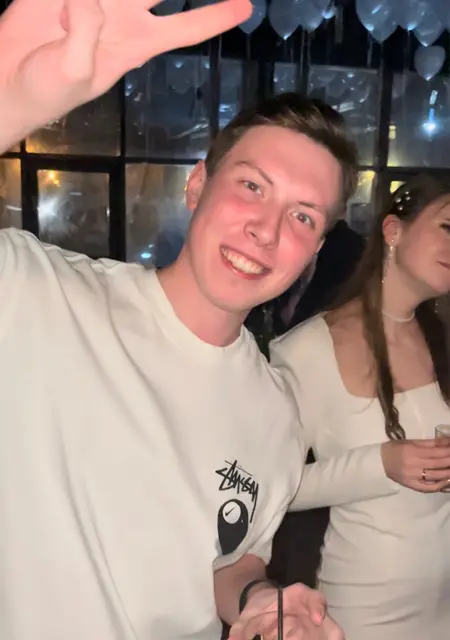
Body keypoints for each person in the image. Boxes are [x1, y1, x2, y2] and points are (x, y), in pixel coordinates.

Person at [0, 1, 359, 638]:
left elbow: (229, 557)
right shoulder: (37, 297)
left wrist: (259, 599)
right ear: (197, 186)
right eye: (251, 186)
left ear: (316, 249)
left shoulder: (277, 412)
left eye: (303, 216)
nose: (267, 229)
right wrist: (8, 99)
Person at [271, 174, 450, 640]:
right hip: (364, 611)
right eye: (447, 227)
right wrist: (380, 465)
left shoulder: (441, 338)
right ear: (393, 230)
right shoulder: (307, 350)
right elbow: (273, 488)